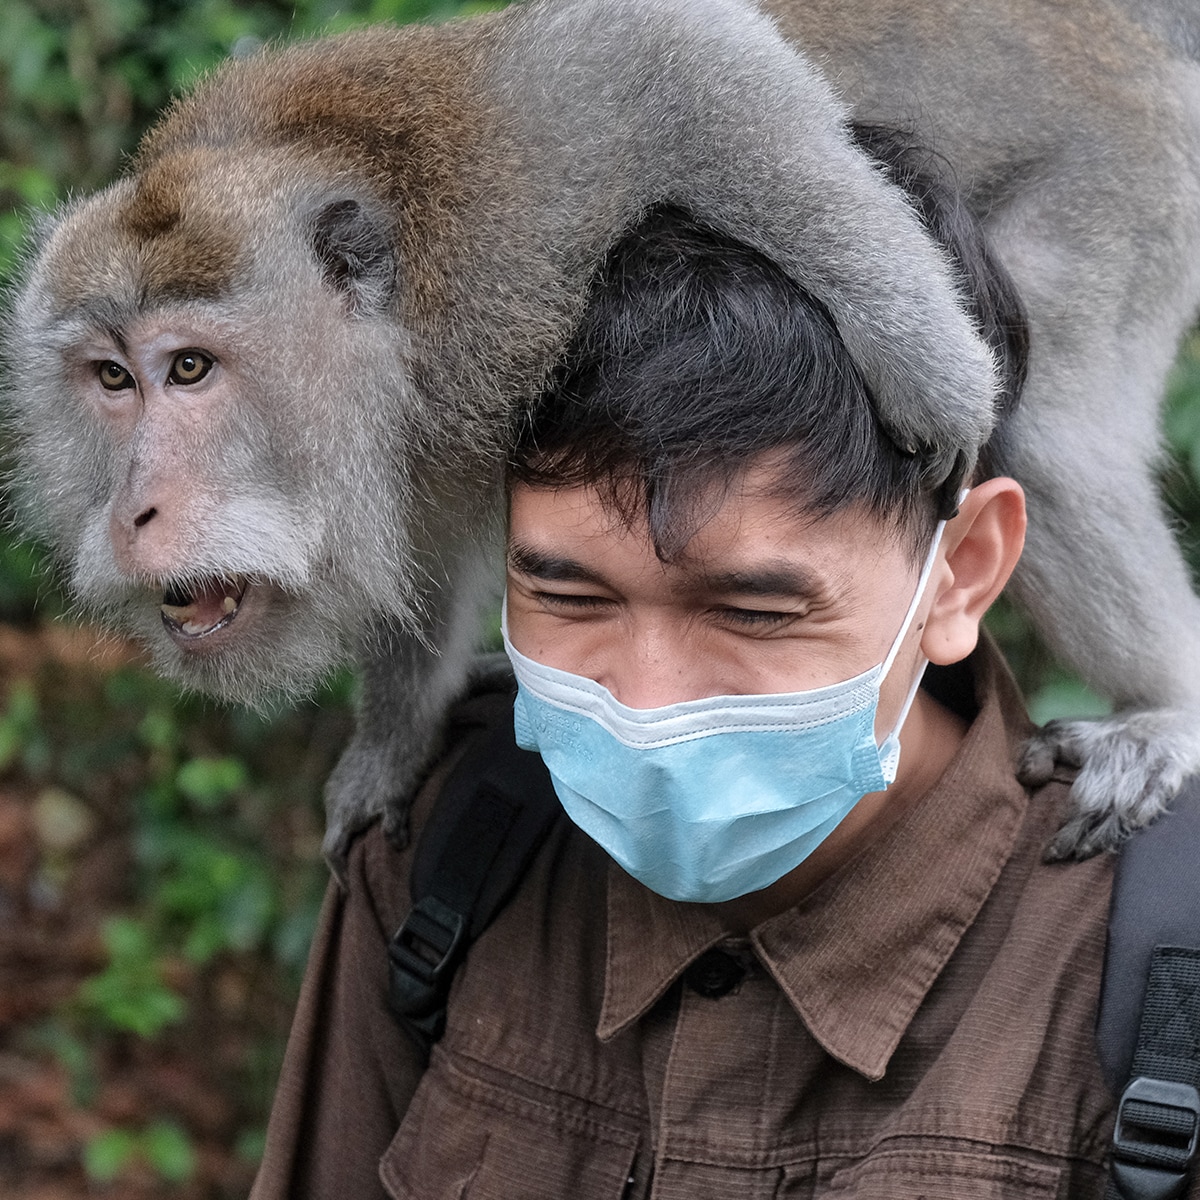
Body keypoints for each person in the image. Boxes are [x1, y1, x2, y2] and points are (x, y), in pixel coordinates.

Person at [250, 140, 1130, 1198]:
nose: (648, 706)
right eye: (570, 597)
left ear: (962, 572)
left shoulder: (1138, 974)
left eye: (752, 612)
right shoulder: (446, 851)